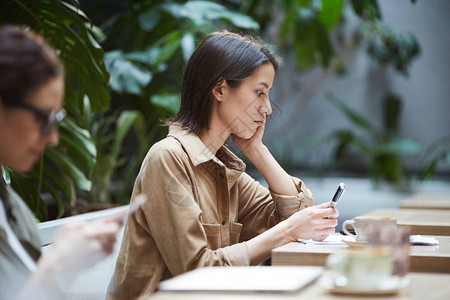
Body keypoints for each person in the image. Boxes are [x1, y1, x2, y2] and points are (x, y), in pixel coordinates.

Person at [107, 30, 339, 299]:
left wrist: (256, 149)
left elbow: (296, 219)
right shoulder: (168, 159)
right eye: (259, 93)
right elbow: (196, 272)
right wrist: (289, 230)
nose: (268, 108)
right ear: (219, 89)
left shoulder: (223, 169)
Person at [0, 25, 122, 299]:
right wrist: (60, 266)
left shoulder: (10, 205)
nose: (53, 138)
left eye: (57, 119)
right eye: (44, 118)